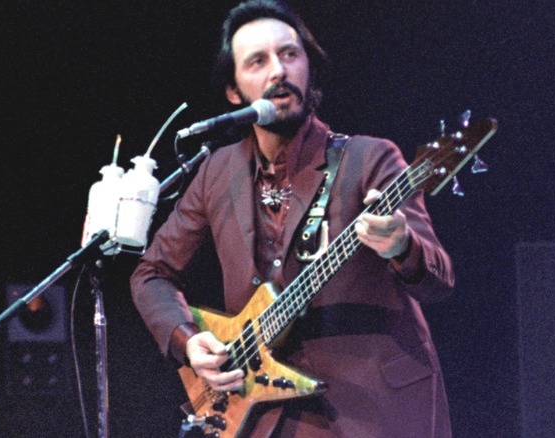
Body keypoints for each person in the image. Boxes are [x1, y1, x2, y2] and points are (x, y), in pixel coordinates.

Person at [130, 1, 455, 436]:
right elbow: (152, 273)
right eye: (258, 62)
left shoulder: (369, 158)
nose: (278, 71)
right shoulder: (216, 172)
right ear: (233, 92)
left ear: (308, 68)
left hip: (372, 413)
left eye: (290, 55)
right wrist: (188, 341)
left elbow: (438, 280)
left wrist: (402, 246)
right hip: (264, 416)